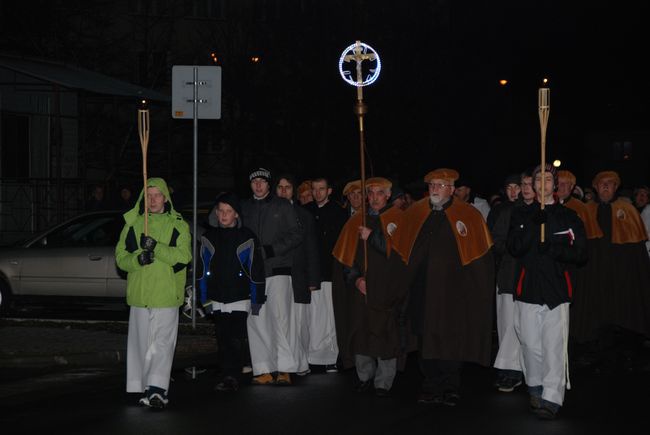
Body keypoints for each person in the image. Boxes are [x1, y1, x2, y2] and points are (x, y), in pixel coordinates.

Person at [393, 168, 495, 406]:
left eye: (440, 185)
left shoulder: (469, 215)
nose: (434, 190)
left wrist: (475, 290)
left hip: (454, 293)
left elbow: (480, 259)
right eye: (431, 186)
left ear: (451, 189)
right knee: (425, 336)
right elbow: (402, 251)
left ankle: (450, 385)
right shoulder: (415, 212)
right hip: (423, 290)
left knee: (451, 337)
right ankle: (430, 384)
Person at [507, 164, 587, 420]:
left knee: (553, 346)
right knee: (530, 344)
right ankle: (535, 386)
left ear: (555, 184)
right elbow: (514, 248)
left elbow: (581, 254)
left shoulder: (568, 217)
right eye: (538, 179)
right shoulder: (521, 215)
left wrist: (553, 249)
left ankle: (552, 396)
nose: (542, 184)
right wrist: (532, 226)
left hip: (556, 290)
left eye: (547, 179)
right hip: (528, 288)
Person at [115, 177, 192, 409]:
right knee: (140, 343)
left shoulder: (178, 225)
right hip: (140, 294)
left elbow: (183, 257)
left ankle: (157, 389)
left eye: (157, 195)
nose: (152, 199)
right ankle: (138, 387)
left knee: (161, 344)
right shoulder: (133, 224)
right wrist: (138, 259)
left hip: (166, 295)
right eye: (148, 195)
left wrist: (156, 248)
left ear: (165, 198)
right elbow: (121, 258)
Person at [332, 177, 408, 397]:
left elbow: (398, 255)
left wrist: (372, 236)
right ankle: (364, 376)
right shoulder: (356, 220)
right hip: (361, 288)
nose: (374, 197)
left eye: (379, 193)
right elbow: (346, 259)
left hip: (386, 290)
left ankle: (383, 381)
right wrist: (356, 279)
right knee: (361, 332)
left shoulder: (399, 219)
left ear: (388, 195)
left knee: (385, 335)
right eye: (371, 193)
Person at [570, 170, 650, 361]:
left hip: (621, 275)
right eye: (602, 183)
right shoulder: (585, 210)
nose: (606, 186)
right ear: (596, 187)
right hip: (591, 273)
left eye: (610, 183)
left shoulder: (628, 210)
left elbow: (638, 252)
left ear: (616, 187)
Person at [241, 168, 306, 386]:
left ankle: (285, 368)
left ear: (269, 185)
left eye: (262, 182)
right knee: (256, 320)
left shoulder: (281, 205)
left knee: (280, 319)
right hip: (253, 273)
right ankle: (264, 368)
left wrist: (271, 250)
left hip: (277, 269)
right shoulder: (245, 207)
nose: (258, 185)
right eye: (254, 182)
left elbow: (297, 234)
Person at [198, 192, 266, 393]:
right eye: (221, 211)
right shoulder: (208, 237)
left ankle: (232, 375)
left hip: (240, 295)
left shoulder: (247, 236)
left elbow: (256, 269)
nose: (224, 215)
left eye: (229, 211)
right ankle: (228, 372)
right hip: (217, 297)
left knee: (236, 337)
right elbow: (202, 270)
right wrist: (204, 298)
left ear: (236, 214)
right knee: (223, 337)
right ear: (216, 213)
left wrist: (257, 298)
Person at [275, 175, 321, 377]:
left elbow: (312, 247)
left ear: (293, 190)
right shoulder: (270, 212)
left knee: (299, 322)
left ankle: (301, 362)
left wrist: (313, 279)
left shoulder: (303, 215)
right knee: (280, 322)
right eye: (280, 187)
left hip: (299, 275)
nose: (283, 191)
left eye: (287, 187)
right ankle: (281, 362)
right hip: (277, 275)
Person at [305, 176, 348, 372]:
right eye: (314, 189)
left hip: (331, 273)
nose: (318, 193)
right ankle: (312, 358)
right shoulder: (307, 212)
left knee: (330, 318)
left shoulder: (339, 213)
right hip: (313, 274)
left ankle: (331, 357)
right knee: (313, 318)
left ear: (329, 190)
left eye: (322, 189)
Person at [487, 173, 525, 393]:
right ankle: (508, 369)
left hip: (522, 276)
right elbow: (493, 243)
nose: (513, 192)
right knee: (506, 324)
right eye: (509, 187)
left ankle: (516, 370)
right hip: (505, 275)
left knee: (520, 326)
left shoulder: (527, 210)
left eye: (516, 187)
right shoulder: (499, 211)